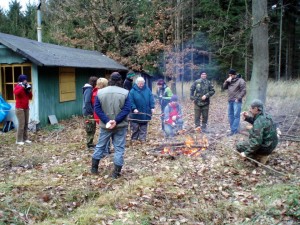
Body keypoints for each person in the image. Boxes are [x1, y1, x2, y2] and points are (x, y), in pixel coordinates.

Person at [91, 72, 131, 178]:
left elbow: (97, 109)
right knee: (119, 148)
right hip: (120, 125)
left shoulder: (100, 92)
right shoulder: (126, 93)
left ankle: (94, 169)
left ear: (110, 80)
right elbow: (127, 109)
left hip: (105, 125)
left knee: (100, 146)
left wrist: (107, 121)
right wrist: (116, 121)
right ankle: (116, 174)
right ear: (120, 80)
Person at [237, 99, 278, 164]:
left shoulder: (259, 121)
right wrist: (247, 118)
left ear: (256, 109)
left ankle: (257, 158)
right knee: (252, 138)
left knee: (239, 145)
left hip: (266, 148)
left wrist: (245, 153)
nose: (250, 110)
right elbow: (257, 122)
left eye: (251, 108)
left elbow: (256, 143)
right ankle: (261, 154)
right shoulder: (266, 115)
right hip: (272, 145)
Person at [129, 77, 155, 142]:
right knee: (135, 127)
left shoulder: (147, 90)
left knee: (144, 126)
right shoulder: (132, 91)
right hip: (135, 113)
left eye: (142, 83)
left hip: (145, 112)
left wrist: (152, 107)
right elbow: (130, 101)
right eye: (139, 84)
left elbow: (151, 99)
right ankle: (134, 139)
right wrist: (134, 108)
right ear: (136, 83)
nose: (141, 85)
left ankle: (142, 139)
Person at [223, 69, 246, 135]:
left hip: (237, 101)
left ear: (235, 75)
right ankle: (233, 129)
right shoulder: (229, 81)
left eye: (231, 75)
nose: (230, 76)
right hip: (230, 100)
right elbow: (224, 87)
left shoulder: (241, 80)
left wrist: (238, 98)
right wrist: (226, 81)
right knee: (230, 115)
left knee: (236, 116)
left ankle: (233, 130)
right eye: (229, 75)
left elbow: (244, 90)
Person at [13, 74, 33, 145]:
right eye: (24, 80)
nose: (26, 81)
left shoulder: (25, 87)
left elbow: (30, 97)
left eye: (26, 79)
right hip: (19, 109)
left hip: (26, 108)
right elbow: (15, 93)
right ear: (21, 80)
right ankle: (18, 140)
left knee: (26, 124)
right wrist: (22, 87)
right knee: (21, 124)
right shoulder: (18, 86)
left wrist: (29, 90)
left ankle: (25, 139)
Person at [82, 76, 98, 150]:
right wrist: (91, 112)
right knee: (90, 129)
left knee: (92, 128)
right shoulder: (89, 90)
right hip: (88, 113)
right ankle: (89, 145)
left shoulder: (89, 89)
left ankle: (91, 143)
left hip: (89, 112)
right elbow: (87, 102)